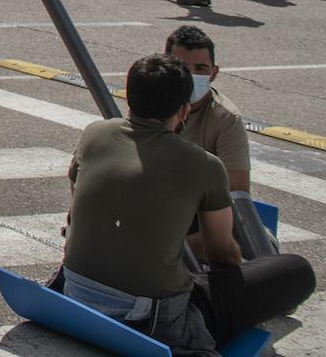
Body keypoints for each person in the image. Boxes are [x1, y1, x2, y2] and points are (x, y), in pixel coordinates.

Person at [59, 54, 314, 350]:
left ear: (130, 97)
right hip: (151, 317)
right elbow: (221, 255)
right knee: (295, 270)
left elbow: (76, 207)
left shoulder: (95, 134)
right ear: (184, 110)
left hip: (77, 290)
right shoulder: (204, 165)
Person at [164, 24, 249, 192]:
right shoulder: (149, 102)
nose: (190, 76)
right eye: (182, 68)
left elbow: (236, 192)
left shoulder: (227, 119)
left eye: (200, 69)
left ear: (214, 73)